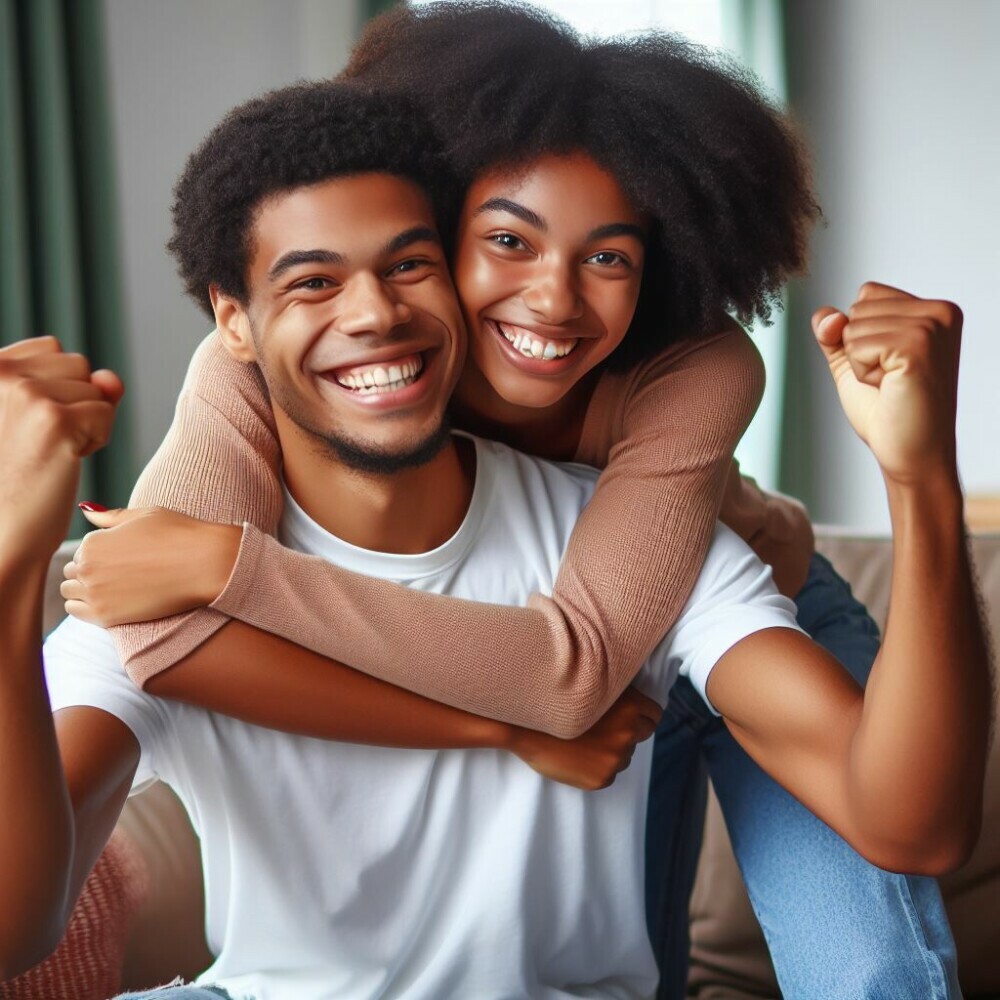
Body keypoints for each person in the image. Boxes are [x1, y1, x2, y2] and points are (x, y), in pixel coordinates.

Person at [0, 78, 989, 1000]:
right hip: (564, 674)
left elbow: (575, 675)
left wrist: (918, 476)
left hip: (670, 598)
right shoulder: (223, 437)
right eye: (510, 241)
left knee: (867, 963)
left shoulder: (684, 404)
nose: (553, 299)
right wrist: (13, 569)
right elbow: (150, 643)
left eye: (608, 256)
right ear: (235, 324)